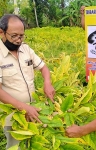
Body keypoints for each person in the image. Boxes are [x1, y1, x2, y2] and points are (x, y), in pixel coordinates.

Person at [0, 14, 55, 149]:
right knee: (15, 145)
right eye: (14, 36)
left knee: (32, 142)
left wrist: (47, 82)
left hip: (33, 109)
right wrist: (23, 107)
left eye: (22, 36)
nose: (18, 40)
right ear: (1, 32)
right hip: (13, 114)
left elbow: (43, 68)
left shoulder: (26, 49)